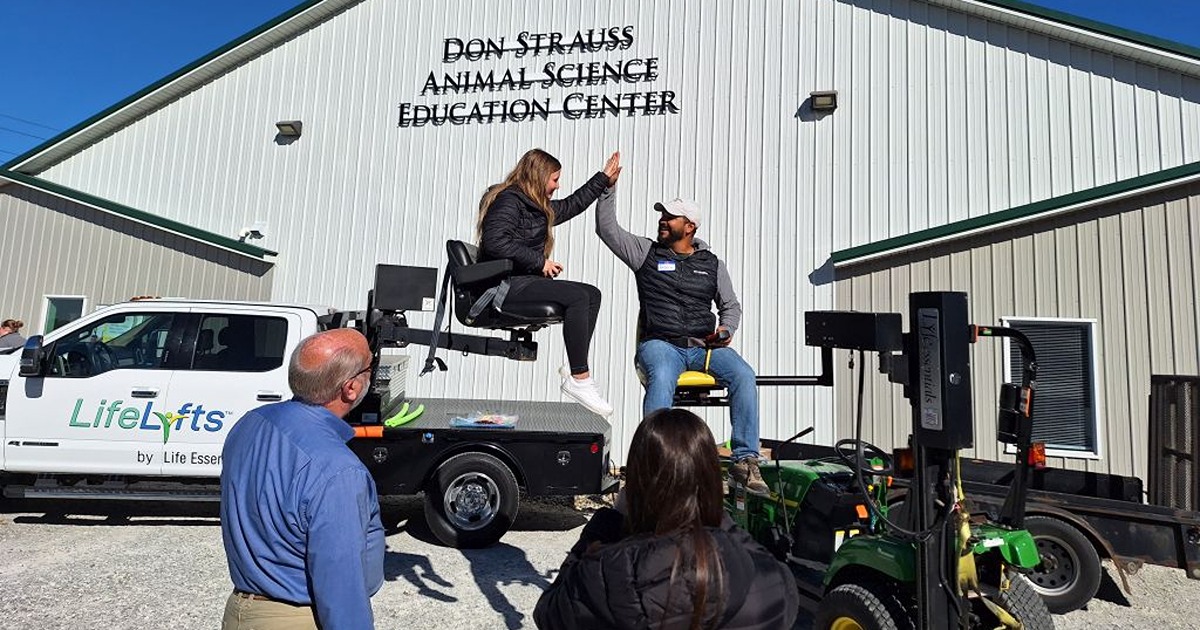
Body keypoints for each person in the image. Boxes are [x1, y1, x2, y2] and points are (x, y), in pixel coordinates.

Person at [533, 408, 800, 629]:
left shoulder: (601, 576)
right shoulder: (773, 580)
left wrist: (606, 524)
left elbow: (548, 614)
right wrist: (714, 512)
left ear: (637, 486)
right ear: (711, 480)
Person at [595, 177, 769, 495]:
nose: (662, 220)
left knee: (744, 375)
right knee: (661, 378)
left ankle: (745, 462)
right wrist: (608, 188)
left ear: (689, 227)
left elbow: (731, 306)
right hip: (660, 344)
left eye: (669, 217)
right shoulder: (644, 252)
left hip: (704, 348)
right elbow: (607, 230)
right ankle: (655, 462)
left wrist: (727, 329)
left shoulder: (713, 265)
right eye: (662, 215)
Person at [220, 328, 384, 630]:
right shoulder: (338, 470)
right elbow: (340, 584)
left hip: (239, 613)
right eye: (369, 367)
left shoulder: (250, 424)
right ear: (350, 388)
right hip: (296, 618)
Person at [477, 148, 622, 416]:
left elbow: (571, 205)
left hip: (520, 281)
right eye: (554, 179)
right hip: (503, 288)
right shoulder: (508, 201)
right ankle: (580, 379)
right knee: (577, 298)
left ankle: (575, 368)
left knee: (591, 294)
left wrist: (602, 179)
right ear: (539, 176)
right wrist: (539, 262)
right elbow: (495, 242)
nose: (558, 185)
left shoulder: (533, 206)